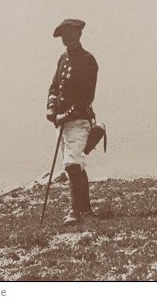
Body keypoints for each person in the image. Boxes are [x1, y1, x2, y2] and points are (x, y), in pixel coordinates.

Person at [46, 19, 99, 225]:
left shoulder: (88, 60)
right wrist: (51, 109)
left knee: (72, 164)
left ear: (79, 34)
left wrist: (65, 115)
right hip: (63, 123)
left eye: (70, 33)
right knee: (74, 166)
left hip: (79, 120)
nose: (67, 38)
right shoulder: (62, 58)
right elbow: (54, 86)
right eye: (63, 35)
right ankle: (85, 210)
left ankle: (76, 212)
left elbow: (86, 97)